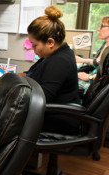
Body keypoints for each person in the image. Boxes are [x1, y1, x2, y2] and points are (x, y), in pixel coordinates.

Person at [25, 6, 80, 135]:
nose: (33, 49)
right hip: (53, 114)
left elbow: (43, 96)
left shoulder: (60, 61)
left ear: (50, 42)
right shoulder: (55, 55)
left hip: (57, 120)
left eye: (35, 45)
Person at [76, 14, 109, 93]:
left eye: (102, 26)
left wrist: (89, 77)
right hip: (94, 80)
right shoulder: (105, 43)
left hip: (94, 84)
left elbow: (107, 78)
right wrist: (82, 60)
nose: (98, 29)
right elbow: (97, 62)